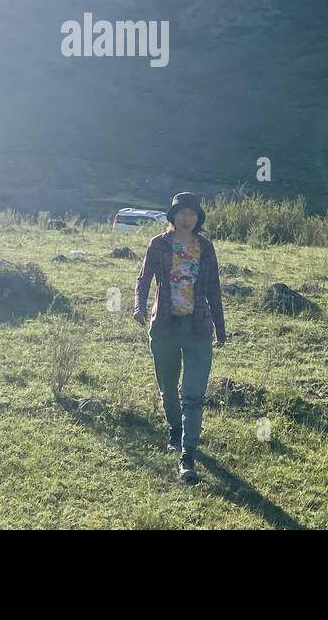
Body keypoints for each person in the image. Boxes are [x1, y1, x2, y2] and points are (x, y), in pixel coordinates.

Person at [131, 191, 226, 485]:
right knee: (168, 390)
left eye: (193, 214)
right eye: (183, 213)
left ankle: (188, 456)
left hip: (198, 328)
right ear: (173, 216)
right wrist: (139, 307)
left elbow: (213, 288)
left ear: (198, 219)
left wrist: (220, 329)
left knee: (194, 395)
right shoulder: (159, 244)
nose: (188, 218)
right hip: (165, 327)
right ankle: (175, 429)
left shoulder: (205, 247)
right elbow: (144, 278)